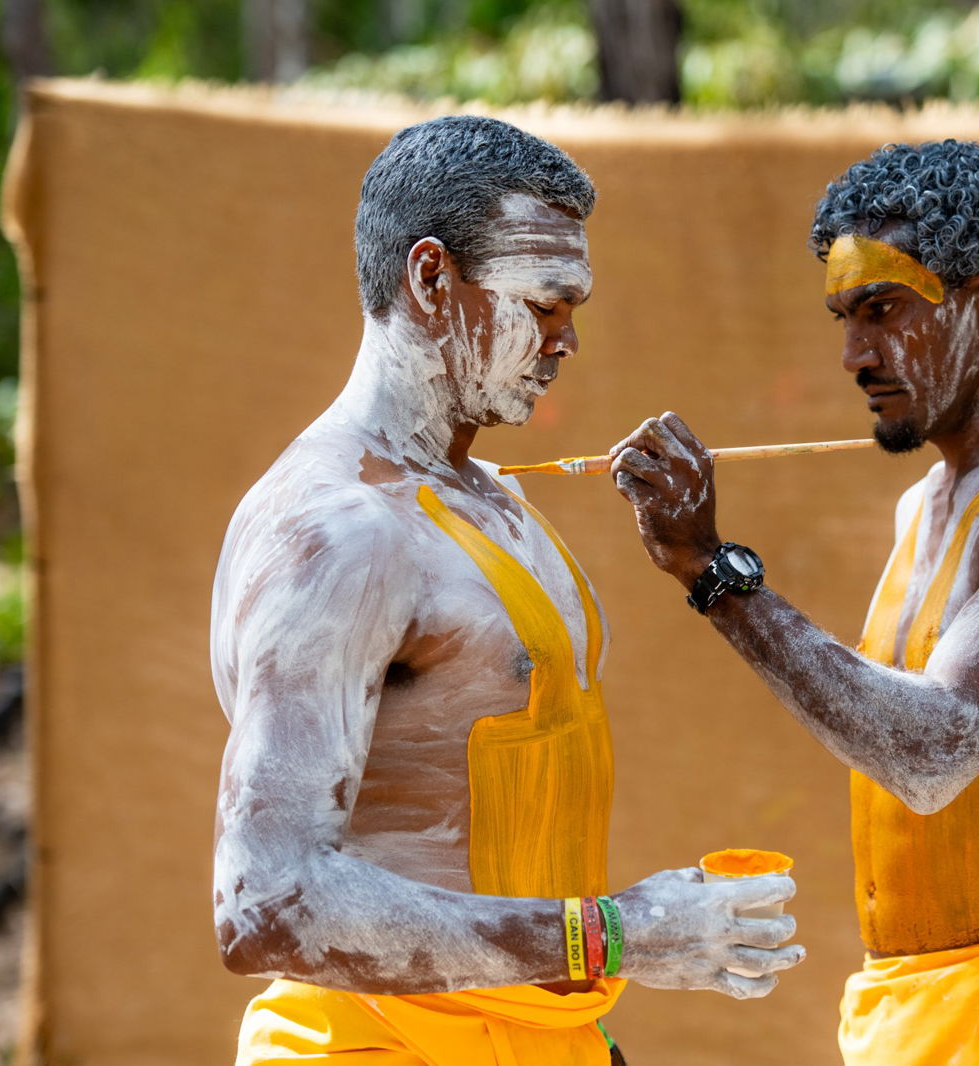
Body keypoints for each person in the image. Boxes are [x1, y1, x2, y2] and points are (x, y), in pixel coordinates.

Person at [209, 115, 803, 1066]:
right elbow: (266, 903)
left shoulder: (487, 498)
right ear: (432, 280)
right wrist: (622, 935)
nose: (568, 341)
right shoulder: (337, 534)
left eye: (577, 308)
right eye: (546, 304)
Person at [608, 140, 979, 1064]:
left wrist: (714, 573)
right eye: (842, 318)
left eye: (882, 311)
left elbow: (934, 752)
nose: (852, 356)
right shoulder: (928, 502)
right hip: (909, 1011)